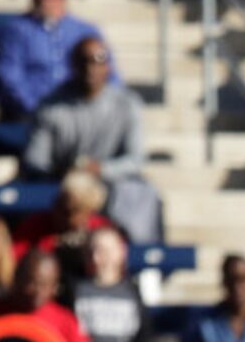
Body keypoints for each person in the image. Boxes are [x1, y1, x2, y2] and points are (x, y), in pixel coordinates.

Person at [22, 34, 161, 248]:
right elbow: (35, 159)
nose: (91, 67)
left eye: (98, 60)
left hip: (111, 184)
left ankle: (136, 257)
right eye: (84, 61)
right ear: (72, 65)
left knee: (142, 193)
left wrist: (100, 169)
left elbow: (135, 160)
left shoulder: (127, 103)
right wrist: (67, 170)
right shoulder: (51, 106)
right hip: (63, 183)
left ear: (109, 66)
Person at [0, 0, 113, 120]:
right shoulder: (16, 31)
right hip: (30, 115)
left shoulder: (86, 31)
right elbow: (9, 76)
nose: (44, 0)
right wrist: (38, 109)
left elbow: (109, 73)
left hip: (80, 113)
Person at [70, 224, 150, 342]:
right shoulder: (74, 291)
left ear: (121, 253)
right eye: (92, 250)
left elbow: (143, 335)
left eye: (104, 251)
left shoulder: (133, 291)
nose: (97, 257)